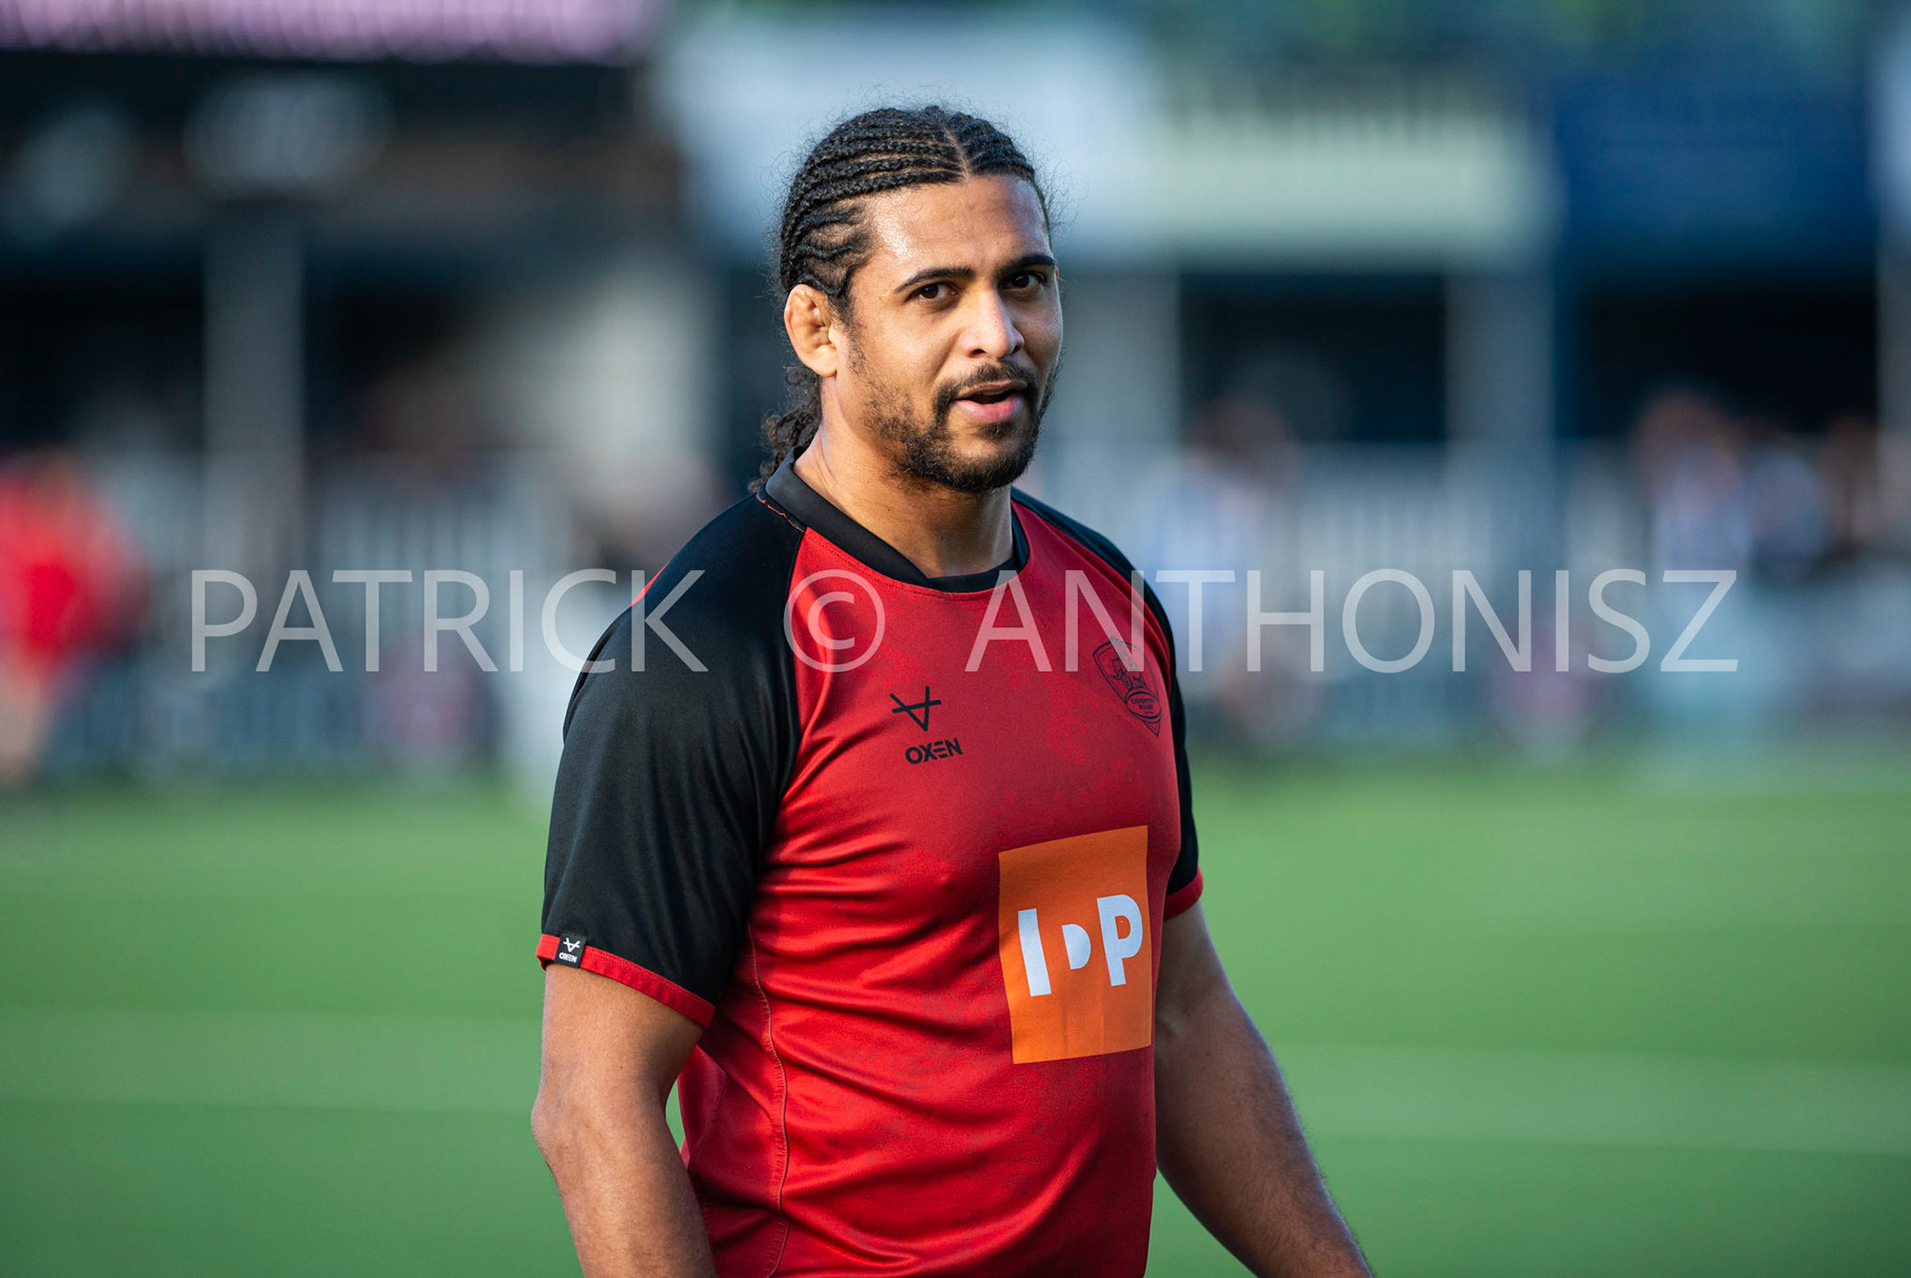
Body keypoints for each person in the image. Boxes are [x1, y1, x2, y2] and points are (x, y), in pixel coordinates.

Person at [532, 105, 1371, 1278]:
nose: (999, 332)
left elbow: (1169, 1019)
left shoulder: (1105, 603)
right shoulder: (707, 644)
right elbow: (594, 1106)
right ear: (820, 329)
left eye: (1025, 281)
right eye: (936, 293)